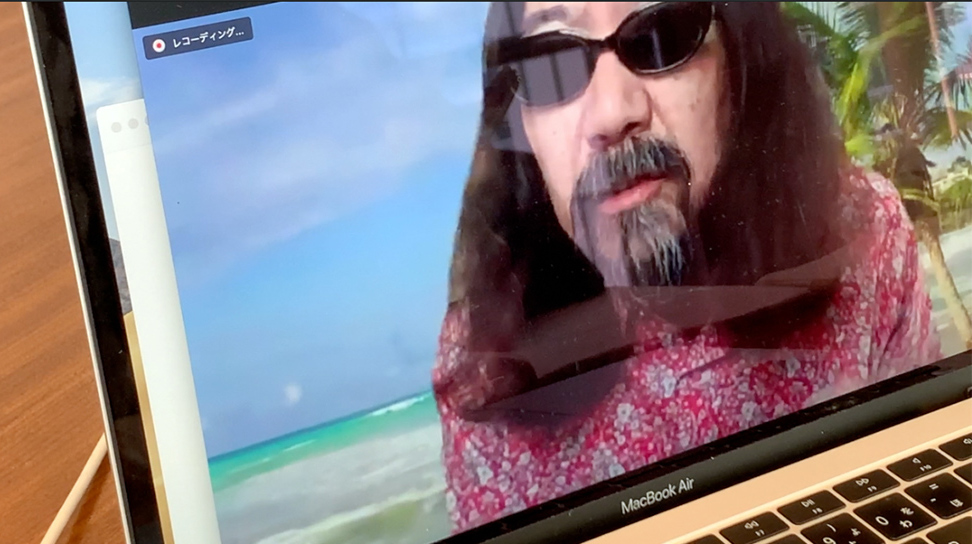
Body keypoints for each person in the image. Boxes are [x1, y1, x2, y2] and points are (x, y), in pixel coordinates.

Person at [431, 2, 940, 532]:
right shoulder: (484, 366)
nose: (613, 114)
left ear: (739, 61)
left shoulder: (861, 235)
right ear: (520, 128)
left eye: (662, 35)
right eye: (549, 61)